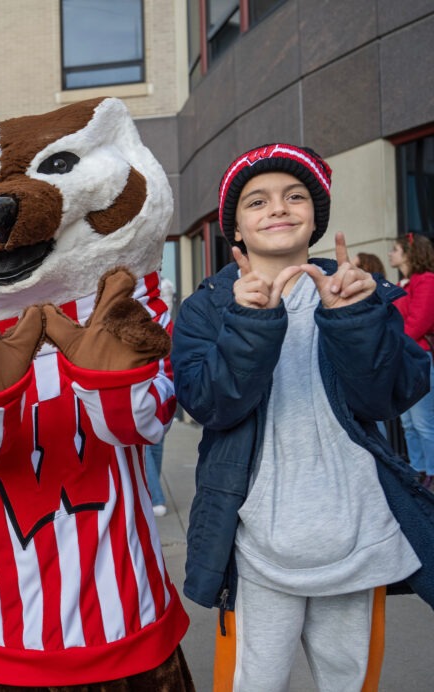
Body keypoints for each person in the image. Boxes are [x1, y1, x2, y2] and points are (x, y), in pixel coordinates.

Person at [172, 143, 434, 691]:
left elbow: (394, 394)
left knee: (351, 681)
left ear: (315, 216)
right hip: (256, 545)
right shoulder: (208, 307)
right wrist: (249, 321)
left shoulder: (361, 292)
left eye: (295, 196)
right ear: (236, 228)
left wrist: (357, 319)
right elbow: (208, 404)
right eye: (257, 201)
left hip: (357, 537)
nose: (278, 208)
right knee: (252, 684)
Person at [388, 233, 434, 485]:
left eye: (395, 249)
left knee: (423, 422)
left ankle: (432, 472)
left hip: (416, 356)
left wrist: (391, 342)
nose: (390, 254)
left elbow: (417, 324)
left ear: (408, 253)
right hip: (403, 355)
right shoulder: (405, 283)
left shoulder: (426, 280)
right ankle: (419, 470)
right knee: (408, 423)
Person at [145, 276, 176, 517]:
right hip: (156, 381)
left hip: (161, 380)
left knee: (153, 444)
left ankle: (154, 496)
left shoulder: (161, 316)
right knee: (150, 445)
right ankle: (153, 496)